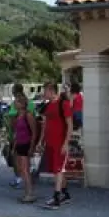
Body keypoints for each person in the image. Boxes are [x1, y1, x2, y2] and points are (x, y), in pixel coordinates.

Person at [40, 82, 74, 210]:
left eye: (45, 91)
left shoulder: (63, 104)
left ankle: (56, 198)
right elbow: (45, 124)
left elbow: (70, 125)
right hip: (50, 142)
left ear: (51, 91)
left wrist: (66, 143)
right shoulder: (48, 105)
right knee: (57, 170)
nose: (43, 93)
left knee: (58, 170)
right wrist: (41, 141)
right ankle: (65, 194)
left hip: (60, 143)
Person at [6, 83, 36, 189]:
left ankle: (25, 184)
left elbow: (33, 127)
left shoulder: (26, 110)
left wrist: (33, 145)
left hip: (24, 138)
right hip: (17, 137)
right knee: (19, 162)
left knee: (22, 165)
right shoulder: (20, 108)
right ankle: (24, 181)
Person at [13, 94, 39, 203]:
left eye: (16, 102)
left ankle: (30, 193)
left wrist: (32, 147)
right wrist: (14, 146)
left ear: (22, 104)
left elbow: (34, 132)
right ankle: (27, 192)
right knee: (21, 169)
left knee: (25, 169)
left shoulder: (28, 115)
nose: (14, 103)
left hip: (26, 144)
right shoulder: (17, 116)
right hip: (19, 144)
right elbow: (17, 132)